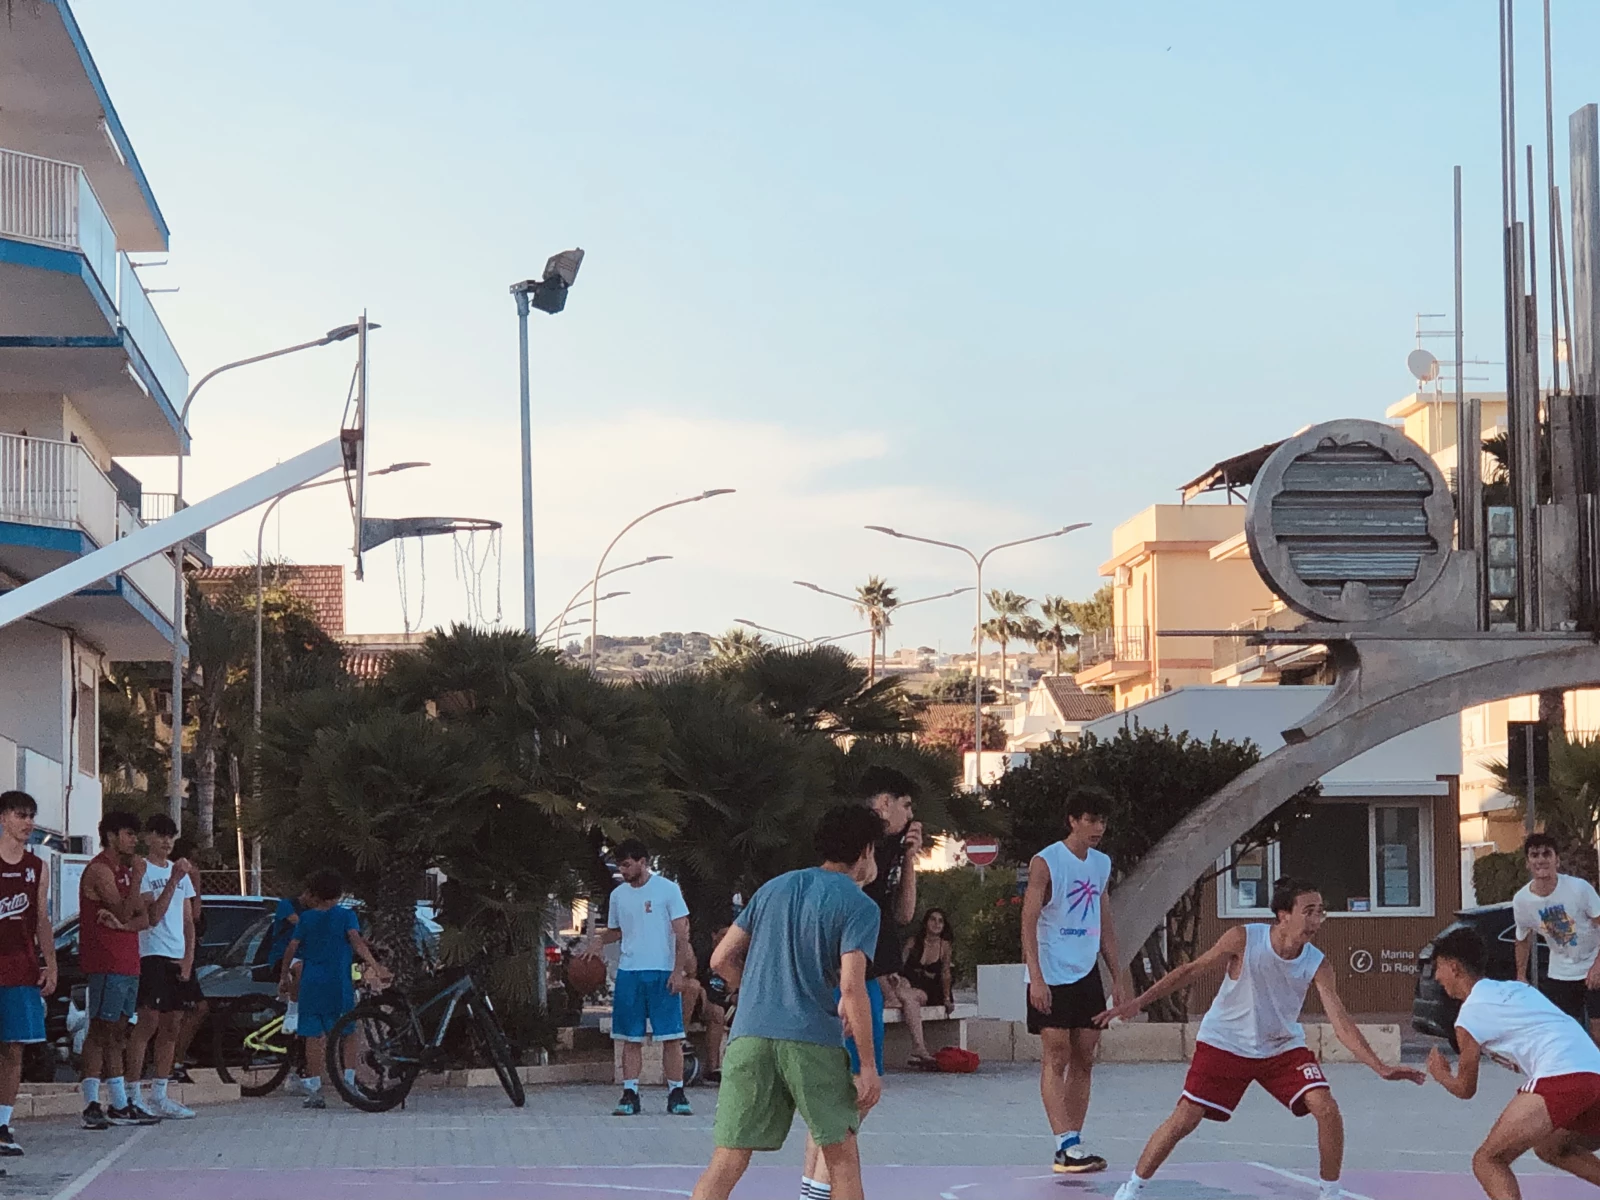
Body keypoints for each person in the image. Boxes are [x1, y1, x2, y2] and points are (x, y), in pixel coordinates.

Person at [1098, 878, 1424, 1200]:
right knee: (1186, 1118)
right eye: (1308, 911)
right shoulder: (1244, 939)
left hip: (1281, 1048)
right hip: (1224, 1043)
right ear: (1284, 915)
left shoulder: (1317, 963)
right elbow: (1191, 970)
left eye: (1320, 912)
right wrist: (1139, 1002)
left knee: (1325, 1108)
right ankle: (1132, 1189)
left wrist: (1379, 1067)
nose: (1316, 920)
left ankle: (1330, 1193)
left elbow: (1341, 1022)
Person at [689, 804, 885, 1200]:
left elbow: (720, 959)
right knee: (841, 1155)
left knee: (728, 1158)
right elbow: (852, 987)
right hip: (811, 1038)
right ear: (866, 850)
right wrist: (867, 1066)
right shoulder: (859, 905)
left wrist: (755, 990)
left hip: (749, 1035)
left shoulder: (773, 888)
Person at [801, 767, 921, 1199]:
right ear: (884, 803)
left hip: (863, 974)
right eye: (906, 805)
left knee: (835, 1104)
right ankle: (817, 1190)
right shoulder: (857, 851)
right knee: (853, 1096)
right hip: (848, 977)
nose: (911, 815)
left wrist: (910, 859)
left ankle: (812, 1188)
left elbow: (904, 914)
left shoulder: (892, 852)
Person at [1427, 926, 1600, 1199]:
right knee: (1552, 1147)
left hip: (1561, 1074)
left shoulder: (1470, 1015)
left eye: (1438, 968)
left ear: (1454, 967)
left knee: (1488, 1160)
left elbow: (1465, 1089)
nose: (1437, 976)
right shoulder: (1516, 989)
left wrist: (1440, 1074)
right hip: (1595, 1072)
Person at [1021, 786, 1127, 1174]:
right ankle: (1063, 1142)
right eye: (1091, 820)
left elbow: (1105, 924)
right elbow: (1028, 922)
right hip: (1051, 968)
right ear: (1073, 821)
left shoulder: (1101, 864)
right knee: (1057, 1053)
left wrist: (1118, 977)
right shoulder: (1046, 862)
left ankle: (1075, 1142)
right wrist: (1036, 977)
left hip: (1086, 969)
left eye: (1102, 821)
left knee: (1085, 1055)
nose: (1098, 828)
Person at [583, 840, 694, 1118]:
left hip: (662, 971)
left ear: (643, 862)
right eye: (620, 866)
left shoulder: (667, 890)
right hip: (630, 972)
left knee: (670, 1036)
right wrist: (599, 941)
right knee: (630, 1037)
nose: (622, 870)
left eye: (627, 865)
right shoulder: (619, 895)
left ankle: (677, 1092)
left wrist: (678, 971)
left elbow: (682, 934)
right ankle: (630, 1092)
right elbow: (616, 930)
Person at [79, 810, 176, 1130]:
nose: (134, 840)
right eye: (129, 834)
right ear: (112, 836)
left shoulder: (124, 871)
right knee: (102, 1029)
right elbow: (124, 909)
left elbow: (144, 917)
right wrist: (135, 883)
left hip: (128, 959)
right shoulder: (101, 870)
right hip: (106, 961)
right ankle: (97, 1101)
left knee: (118, 1030)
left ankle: (117, 1102)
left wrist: (123, 925)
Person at [276, 869, 391, 1109]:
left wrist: (284, 976)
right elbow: (356, 942)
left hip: (311, 982)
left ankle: (314, 1090)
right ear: (339, 894)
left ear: (315, 893)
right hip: (338, 983)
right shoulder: (346, 916)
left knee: (312, 1035)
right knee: (348, 1031)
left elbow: (292, 947)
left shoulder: (306, 918)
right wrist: (376, 967)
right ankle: (348, 1082)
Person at [125, 814, 198, 1120]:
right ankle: (132, 1093)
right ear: (149, 837)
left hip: (176, 955)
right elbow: (152, 914)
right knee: (148, 1022)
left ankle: (160, 1093)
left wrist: (188, 958)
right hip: (151, 953)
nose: (167, 841)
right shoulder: (143, 870)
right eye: (161, 835)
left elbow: (188, 920)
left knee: (172, 1025)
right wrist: (173, 881)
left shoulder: (180, 872)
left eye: (171, 836)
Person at [0, 792, 56, 1156]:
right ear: (3, 817)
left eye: (31, 816)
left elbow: (41, 919)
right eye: (21, 815)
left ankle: (2, 1124)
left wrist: (50, 962)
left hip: (21, 968)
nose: (28, 822)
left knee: (13, 1047)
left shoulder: (37, 867)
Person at [1512, 832, 1600, 1039]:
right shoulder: (1522, 900)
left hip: (1593, 962)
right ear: (1527, 863)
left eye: (1546, 854)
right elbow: (1523, 938)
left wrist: (1598, 965)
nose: (1541, 860)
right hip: (1561, 972)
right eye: (1535, 855)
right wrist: (1521, 975)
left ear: (1557, 860)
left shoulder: (1579, 889)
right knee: (1564, 1032)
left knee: (1596, 1031)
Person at [167, 838, 207, 1084]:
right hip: (179, 951)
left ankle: (174, 1060)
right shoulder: (184, 878)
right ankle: (174, 1062)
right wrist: (197, 887)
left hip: (183, 950)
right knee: (189, 1009)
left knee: (185, 1010)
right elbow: (195, 915)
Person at [898, 908, 956, 1051]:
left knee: (909, 996)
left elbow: (945, 973)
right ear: (926, 922)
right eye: (933, 919)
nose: (936, 923)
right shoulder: (913, 942)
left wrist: (947, 998)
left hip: (931, 989)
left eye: (940, 921)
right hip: (911, 983)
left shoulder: (945, 946)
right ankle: (919, 1047)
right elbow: (900, 965)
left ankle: (920, 1047)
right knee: (904, 987)